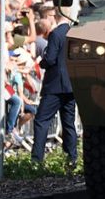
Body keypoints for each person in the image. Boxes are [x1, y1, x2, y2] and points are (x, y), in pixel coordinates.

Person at [31, 11, 77, 172]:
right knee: (68, 122)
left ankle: (37, 160)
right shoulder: (74, 32)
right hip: (70, 84)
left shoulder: (56, 34)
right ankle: (71, 158)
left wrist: (41, 63)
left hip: (55, 85)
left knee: (41, 121)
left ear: (56, 16)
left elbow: (50, 58)